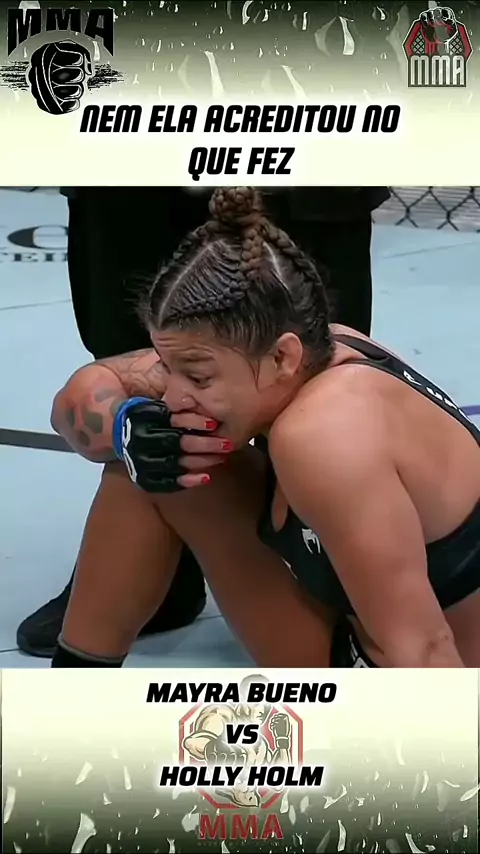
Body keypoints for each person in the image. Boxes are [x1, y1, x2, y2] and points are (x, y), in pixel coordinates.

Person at [48, 187, 480, 668]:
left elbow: (424, 647)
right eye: (170, 368)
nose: (172, 394)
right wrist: (125, 427)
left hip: (429, 674)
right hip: (361, 633)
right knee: (141, 466)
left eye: (198, 377)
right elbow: (76, 399)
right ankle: (74, 690)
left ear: (282, 357)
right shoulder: (323, 345)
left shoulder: (323, 434)